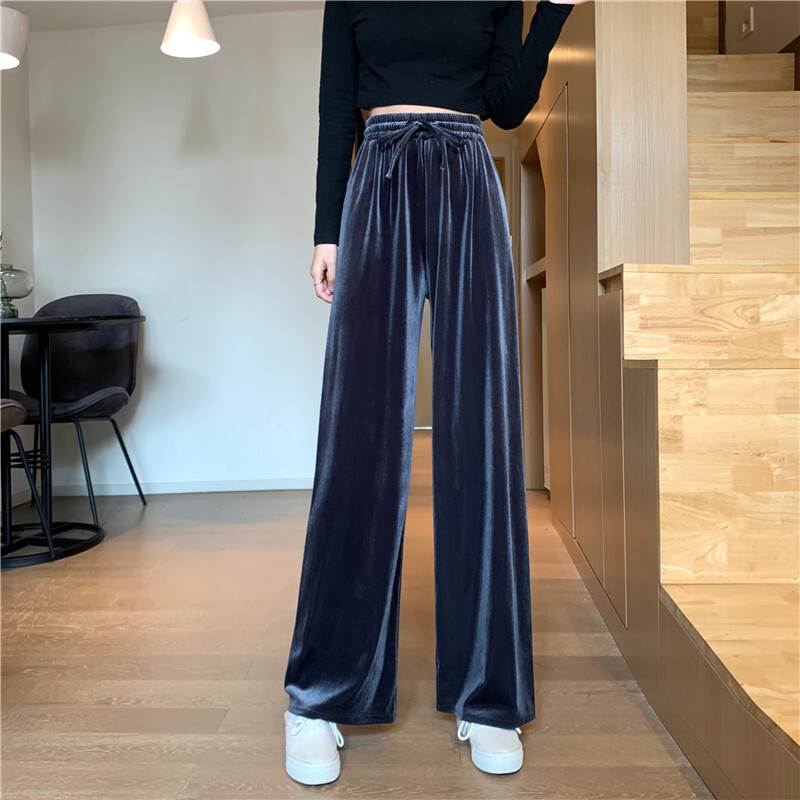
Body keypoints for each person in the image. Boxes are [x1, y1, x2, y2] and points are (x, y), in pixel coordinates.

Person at [283, 0, 578, 785]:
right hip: (376, 180)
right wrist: (326, 230)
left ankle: (488, 693)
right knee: (360, 434)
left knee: (482, 425)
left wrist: (554, 12)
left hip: (467, 180)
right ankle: (319, 692)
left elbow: (506, 106)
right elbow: (334, 109)